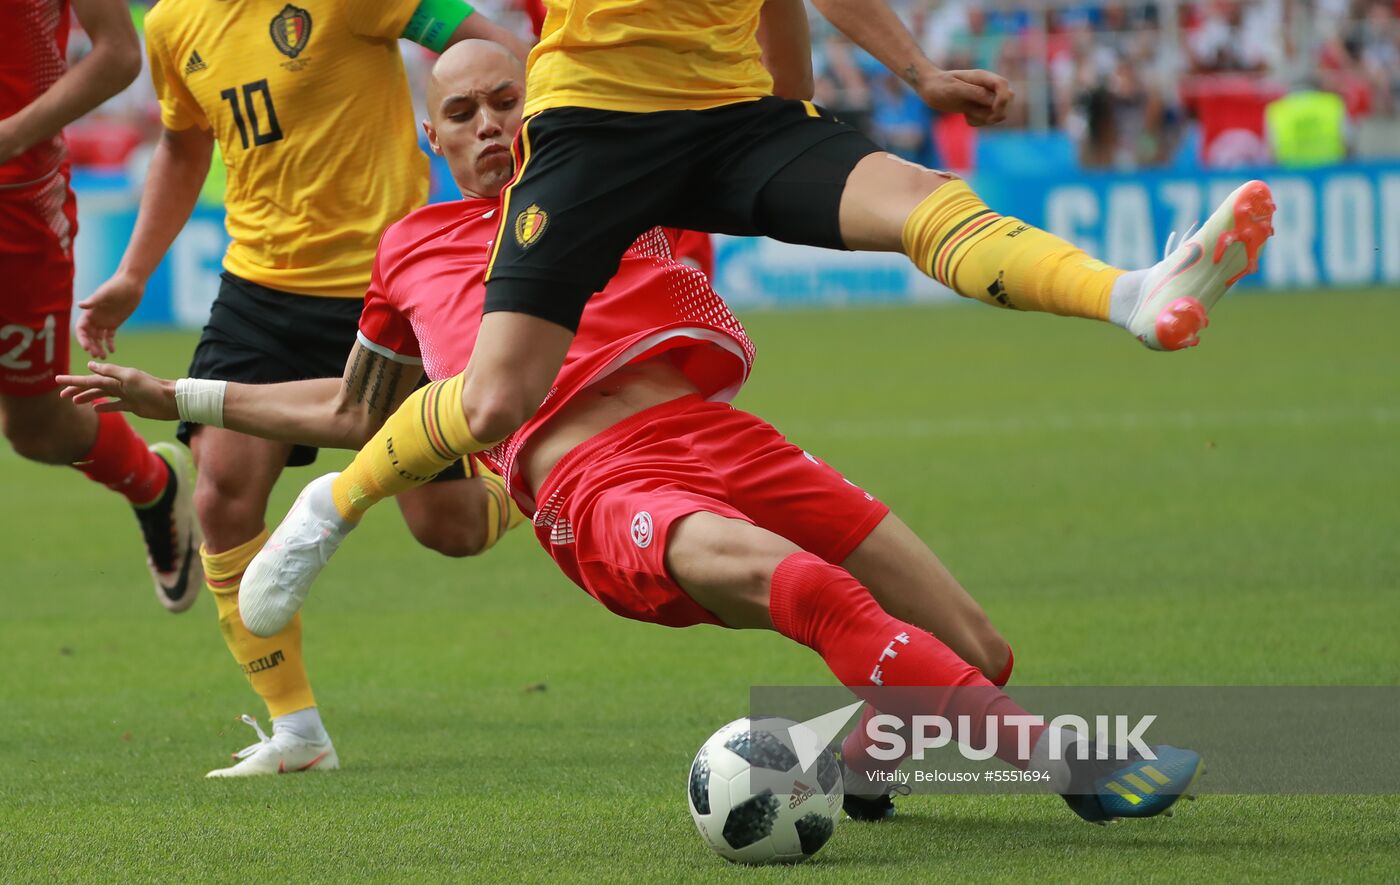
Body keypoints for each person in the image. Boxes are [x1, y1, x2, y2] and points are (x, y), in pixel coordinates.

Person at [62, 41, 1202, 825]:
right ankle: (1069, 764)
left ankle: (847, 765)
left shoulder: (628, 167)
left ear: (544, 102)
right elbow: (362, 411)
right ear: (431, 136)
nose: (489, 124)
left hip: (726, 440)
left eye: (505, 100)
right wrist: (185, 398)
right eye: (462, 113)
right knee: (808, 589)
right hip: (598, 489)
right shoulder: (407, 250)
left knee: (978, 652)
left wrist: (892, 64)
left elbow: (779, 98)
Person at [250, 0, 1277, 599]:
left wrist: (902, 79)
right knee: (494, 400)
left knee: (919, 199)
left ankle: (1129, 294)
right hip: (593, 125)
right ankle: (329, 506)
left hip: (728, 113)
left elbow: (789, 39)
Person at [72, 0, 530, 778]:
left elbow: (497, 50)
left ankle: (532, 469)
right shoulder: (172, 26)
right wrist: (133, 273)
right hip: (260, 291)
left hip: (389, 288)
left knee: (449, 528)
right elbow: (183, 148)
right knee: (221, 492)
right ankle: (297, 732)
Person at [0, 0, 198, 611]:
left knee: (36, 429)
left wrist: (9, 137)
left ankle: (154, 484)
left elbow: (117, 54)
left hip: (14, 200)